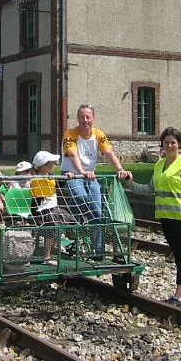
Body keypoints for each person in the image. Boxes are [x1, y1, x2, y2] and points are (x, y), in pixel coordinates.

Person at [124, 127, 181, 306]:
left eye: (173, 142)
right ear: (162, 144)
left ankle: (179, 294)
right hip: (165, 217)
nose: (169, 145)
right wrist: (130, 184)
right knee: (180, 254)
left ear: (179, 144)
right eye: (166, 142)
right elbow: (151, 189)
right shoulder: (159, 165)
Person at [60, 104, 127, 252]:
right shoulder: (70, 135)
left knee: (96, 211)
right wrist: (83, 171)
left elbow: (109, 152)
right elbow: (72, 154)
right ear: (77, 119)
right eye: (82, 117)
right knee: (80, 196)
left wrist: (120, 169)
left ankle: (98, 249)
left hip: (90, 176)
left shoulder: (98, 134)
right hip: (72, 175)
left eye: (88, 117)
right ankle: (72, 225)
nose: (85, 120)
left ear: (93, 118)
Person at [30, 151, 77, 265]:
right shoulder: (37, 179)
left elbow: (57, 184)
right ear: (44, 166)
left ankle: (69, 235)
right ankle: (47, 256)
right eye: (52, 162)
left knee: (65, 216)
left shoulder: (49, 176)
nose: (54, 164)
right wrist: (60, 179)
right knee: (53, 224)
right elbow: (45, 191)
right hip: (42, 212)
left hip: (51, 209)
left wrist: (66, 178)